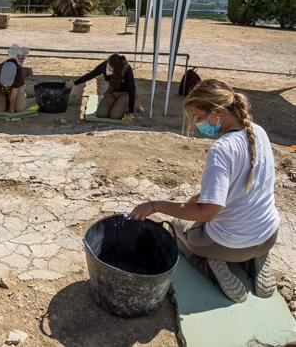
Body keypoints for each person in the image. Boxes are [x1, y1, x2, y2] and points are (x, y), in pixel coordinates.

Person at [129, 79, 279, 303]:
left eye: (198, 118)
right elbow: (246, 184)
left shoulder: (221, 149)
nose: (198, 125)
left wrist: (155, 205)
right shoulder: (258, 132)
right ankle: (257, 258)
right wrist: (201, 197)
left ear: (217, 112)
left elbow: (207, 214)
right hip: (268, 236)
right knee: (202, 216)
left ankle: (210, 264)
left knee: (179, 228)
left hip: (229, 246)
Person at [66, 53, 136, 120]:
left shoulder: (126, 69)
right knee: (101, 114)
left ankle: (126, 106)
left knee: (115, 115)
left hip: (125, 93)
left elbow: (132, 89)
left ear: (117, 69)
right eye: (108, 63)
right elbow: (92, 74)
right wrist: (74, 83)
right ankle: (116, 104)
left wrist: (130, 112)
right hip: (112, 91)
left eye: (111, 67)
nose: (108, 66)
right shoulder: (106, 65)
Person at [0, 59, 27, 129]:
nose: (5, 84)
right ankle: (5, 99)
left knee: (20, 108)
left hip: (14, 91)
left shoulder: (19, 71)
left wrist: (11, 108)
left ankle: (9, 101)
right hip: (0, 92)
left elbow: (14, 92)